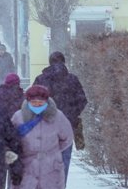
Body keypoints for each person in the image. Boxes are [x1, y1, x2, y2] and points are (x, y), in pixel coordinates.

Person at [9, 84, 73, 189]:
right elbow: (11, 139)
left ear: (47, 101)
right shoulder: (18, 117)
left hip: (50, 167)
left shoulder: (58, 117)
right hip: (26, 166)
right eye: (34, 102)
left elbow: (67, 139)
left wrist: (52, 154)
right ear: (28, 101)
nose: (37, 104)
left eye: (40, 101)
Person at [34, 51, 88, 182]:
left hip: (46, 123)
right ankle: (60, 185)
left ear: (50, 62)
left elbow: (33, 100)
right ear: (64, 62)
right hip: (68, 123)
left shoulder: (41, 79)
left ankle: (48, 183)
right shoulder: (72, 79)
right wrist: (73, 113)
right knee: (64, 156)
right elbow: (82, 100)